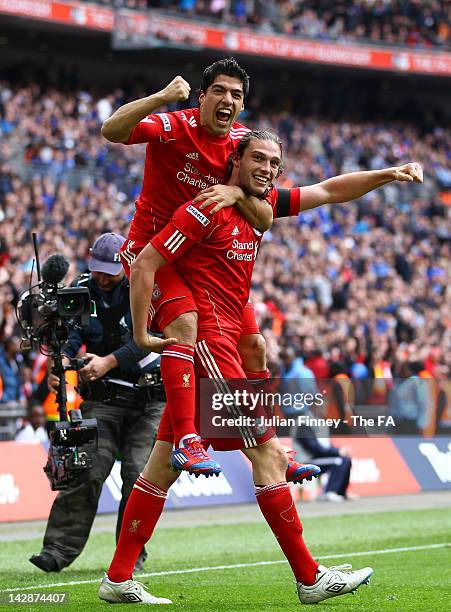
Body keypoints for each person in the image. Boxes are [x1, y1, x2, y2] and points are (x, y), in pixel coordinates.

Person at [97, 130, 395, 606]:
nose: (268, 168)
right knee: (267, 455)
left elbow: (329, 190)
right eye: (258, 158)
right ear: (233, 159)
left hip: (231, 338)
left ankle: (117, 577)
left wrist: (386, 174)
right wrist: (142, 331)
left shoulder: (258, 206)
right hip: (209, 343)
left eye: (275, 163)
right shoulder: (206, 206)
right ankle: (310, 577)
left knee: (159, 468)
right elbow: (146, 262)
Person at [101, 58, 273, 474]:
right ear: (202, 96)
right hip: (149, 252)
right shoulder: (175, 125)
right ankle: (189, 439)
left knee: (256, 345)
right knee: (185, 327)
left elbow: (267, 213)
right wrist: (161, 98)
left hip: (197, 260)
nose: (227, 100)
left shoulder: (241, 144)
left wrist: (237, 197)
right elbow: (112, 130)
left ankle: (271, 436)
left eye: (236, 94)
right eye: (219, 91)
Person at [30, 233, 165, 574]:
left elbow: (150, 338)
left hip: (150, 397)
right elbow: (72, 330)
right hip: (104, 397)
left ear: (126, 263)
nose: (103, 278)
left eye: (110, 271)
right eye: (98, 270)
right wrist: (59, 360)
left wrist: (108, 361)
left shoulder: (147, 280)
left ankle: (130, 554)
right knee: (87, 469)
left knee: (138, 476)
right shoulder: (84, 285)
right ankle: (57, 551)